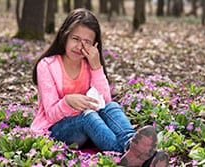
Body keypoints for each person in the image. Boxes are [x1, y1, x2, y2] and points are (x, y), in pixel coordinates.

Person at [30, 8, 169, 167]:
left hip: (92, 128)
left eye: (87, 42)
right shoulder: (47, 65)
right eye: (75, 38)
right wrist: (68, 102)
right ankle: (131, 157)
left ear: (94, 45)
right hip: (57, 130)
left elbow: (104, 102)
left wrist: (96, 66)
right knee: (87, 116)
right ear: (64, 35)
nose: (79, 46)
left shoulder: (89, 64)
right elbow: (51, 115)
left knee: (112, 107)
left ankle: (129, 145)